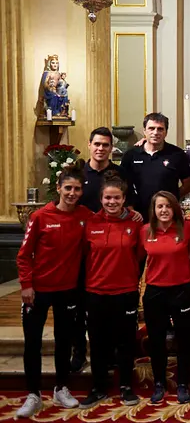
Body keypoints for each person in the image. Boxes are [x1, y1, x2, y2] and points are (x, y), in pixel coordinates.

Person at [15, 165, 92, 418]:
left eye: (77, 189)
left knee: (64, 342)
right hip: (37, 291)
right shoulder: (40, 216)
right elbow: (24, 255)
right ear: (58, 188)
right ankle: (33, 394)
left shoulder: (85, 216)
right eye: (68, 188)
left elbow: (108, 220)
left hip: (68, 290)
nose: (72, 193)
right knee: (33, 343)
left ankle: (61, 387)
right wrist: (26, 285)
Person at [72, 127, 134, 374]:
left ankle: (115, 353)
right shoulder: (78, 174)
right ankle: (79, 351)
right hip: (82, 245)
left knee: (112, 308)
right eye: (97, 144)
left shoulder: (119, 173)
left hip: (113, 244)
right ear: (89, 145)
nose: (101, 149)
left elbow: (129, 204)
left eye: (105, 145)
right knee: (80, 304)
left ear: (111, 148)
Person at [80, 174, 145, 409]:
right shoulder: (90, 223)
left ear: (124, 199)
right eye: (107, 198)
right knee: (98, 342)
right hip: (96, 291)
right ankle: (98, 386)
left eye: (116, 198)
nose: (111, 202)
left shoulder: (135, 224)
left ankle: (126, 386)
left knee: (125, 342)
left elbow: (139, 255)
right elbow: (84, 255)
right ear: (101, 198)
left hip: (125, 291)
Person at [141, 191, 190, 404]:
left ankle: (183, 383)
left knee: (184, 339)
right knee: (156, 340)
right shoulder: (145, 231)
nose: (164, 210)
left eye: (168, 206)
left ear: (175, 208)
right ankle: (159, 383)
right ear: (153, 210)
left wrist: (177, 264)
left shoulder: (187, 229)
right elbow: (140, 258)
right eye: (159, 207)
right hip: (155, 291)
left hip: (182, 289)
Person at [121, 112, 190, 219]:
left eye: (160, 129)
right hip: (138, 214)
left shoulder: (177, 154)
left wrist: (171, 198)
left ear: (166, 132)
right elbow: (123, 186)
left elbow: (188, 185)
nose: (155, 132)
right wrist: (131, 209)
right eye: (151, 128)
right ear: (144, 131)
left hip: (168, 213)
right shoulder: (131, 155)